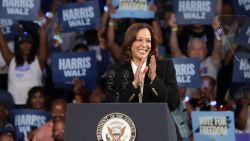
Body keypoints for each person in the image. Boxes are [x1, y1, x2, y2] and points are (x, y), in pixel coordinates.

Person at [0, 24, 47, 106]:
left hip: (34, 105)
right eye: (22, 43)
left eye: (28, 43)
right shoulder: (11, 60)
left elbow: (43, 42)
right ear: (18, 46)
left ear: (32, 45)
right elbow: (2, 42)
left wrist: (41, 21)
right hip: (14, 105)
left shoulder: (38, 60)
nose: (26, 46)